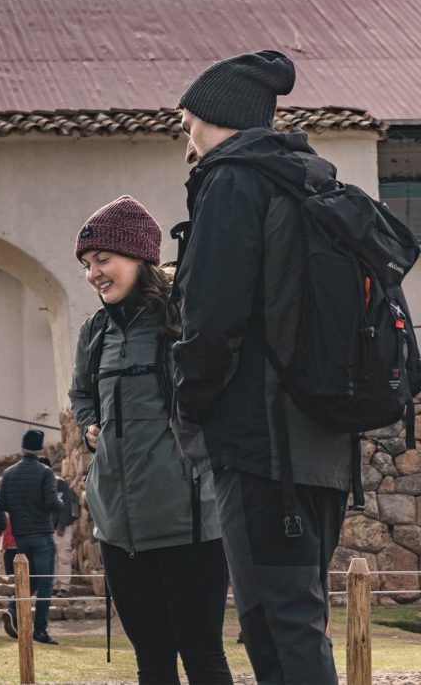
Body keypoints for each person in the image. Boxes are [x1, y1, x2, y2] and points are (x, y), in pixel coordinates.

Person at [173, 50, 350, 683]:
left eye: (187, 121)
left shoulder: (234, 182)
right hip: (324, 442)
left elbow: (211, 322)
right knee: (296, 620)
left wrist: (188, 406)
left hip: (260, 446)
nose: (184, 138)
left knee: (277, 630)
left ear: (215, 116)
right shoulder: (308, 181)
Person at [68, 196, 232, 684]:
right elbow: (80, 391)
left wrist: (192, 413)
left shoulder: (183, 317)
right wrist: (89, 422)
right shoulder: (94, 331)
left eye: (103, 260)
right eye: (86, 264)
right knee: (152, 665)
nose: (94, 273)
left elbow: (227, 380)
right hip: (119, 530)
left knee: (203, 659)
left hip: (190, 525)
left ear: (139, 256)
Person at [0, 430, 63, 645]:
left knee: (28, 580)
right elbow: (52, 502)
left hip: (20, 536)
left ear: (23, 448)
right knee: (45, 583)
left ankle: (13, 609)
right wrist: (60, 503)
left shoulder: (8, 474)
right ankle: (40, 630)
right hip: (42, 533)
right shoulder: (45, 472)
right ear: (40, 449)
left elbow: (2, 506)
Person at [37, 457, 78, 597]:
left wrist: (61, 525)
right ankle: (54, 585)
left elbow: (65, 506)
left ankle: (64, 586)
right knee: (51, 558)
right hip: (48, 528)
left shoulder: (59, 483)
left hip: (62, 527)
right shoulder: (42, 485)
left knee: (63, 557)